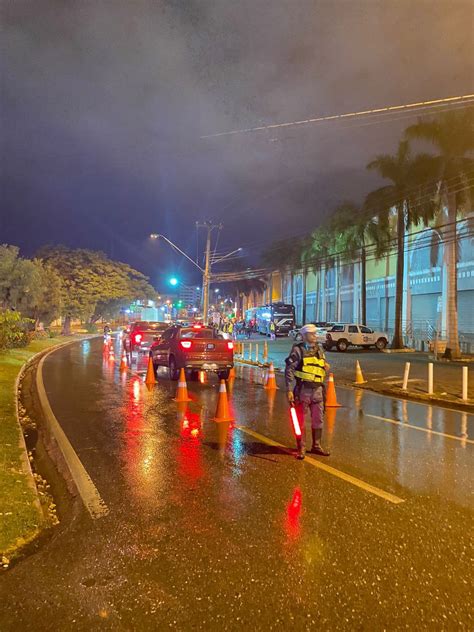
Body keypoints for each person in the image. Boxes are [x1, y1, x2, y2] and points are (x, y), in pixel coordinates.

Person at [285, 323, 330, 460]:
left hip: (318, 390)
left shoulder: (320, 349)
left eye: (316, 333)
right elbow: (289, 370)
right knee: (301, 421)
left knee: (318, 420)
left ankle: (316, 446)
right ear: (304, 336)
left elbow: (321, 365)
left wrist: (325, 366)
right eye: (312, 334)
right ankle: (301, 447)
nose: (316, 336)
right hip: (303, 391)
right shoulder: (298, 350)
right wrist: (289, 390)